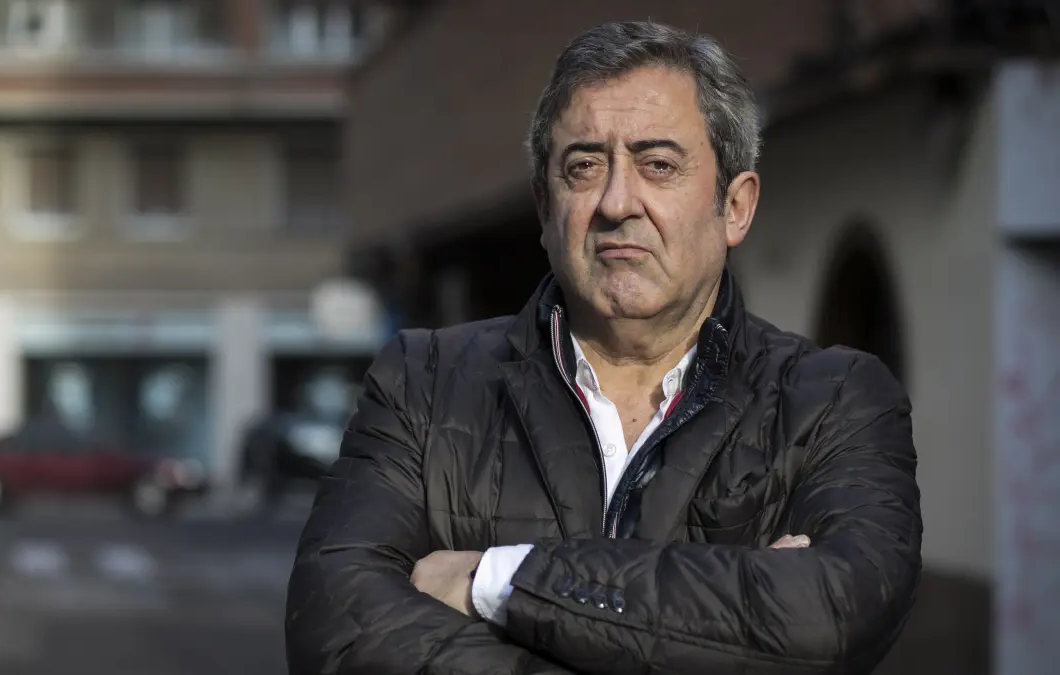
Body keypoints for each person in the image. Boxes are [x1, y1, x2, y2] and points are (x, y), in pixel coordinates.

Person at [286, 20, 922, 675]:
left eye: (658, 165)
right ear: (544, 206)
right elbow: (337, 629)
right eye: (584, 167)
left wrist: (498, 580)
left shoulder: (834, 401)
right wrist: (728, 615)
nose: (618, 202)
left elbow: (831, 613)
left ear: (735, 206)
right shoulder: (424, 382)